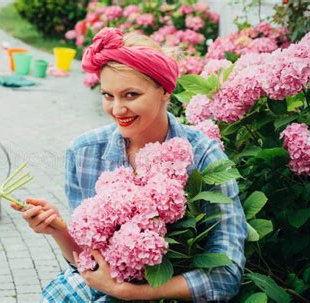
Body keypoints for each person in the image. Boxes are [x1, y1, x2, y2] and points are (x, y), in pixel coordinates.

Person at [12, 27, 247, 302]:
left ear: (165, 91)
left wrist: (130, 293)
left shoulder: (204, 156)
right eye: (108, 95)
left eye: (131, 95)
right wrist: (59, 230)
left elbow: (226, 275)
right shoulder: (84, 153)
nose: (117, 109)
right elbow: (88, 262)